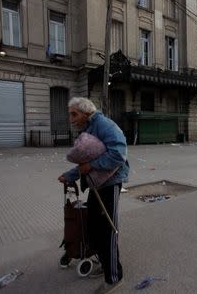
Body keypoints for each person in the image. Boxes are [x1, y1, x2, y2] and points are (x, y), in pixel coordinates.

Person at [58, 97, 128, 294]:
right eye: (70, 114)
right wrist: (69, 175)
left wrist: (91, 166)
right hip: (96, 183)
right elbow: (86, 161)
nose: (71, 119)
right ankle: (104, 263)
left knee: (108, 230)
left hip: (110, 183)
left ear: (86, 113)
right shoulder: (88, 128)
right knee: (94, 228)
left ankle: (114, 277)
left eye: (74, 114)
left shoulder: (104, 125)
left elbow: (119, 154)